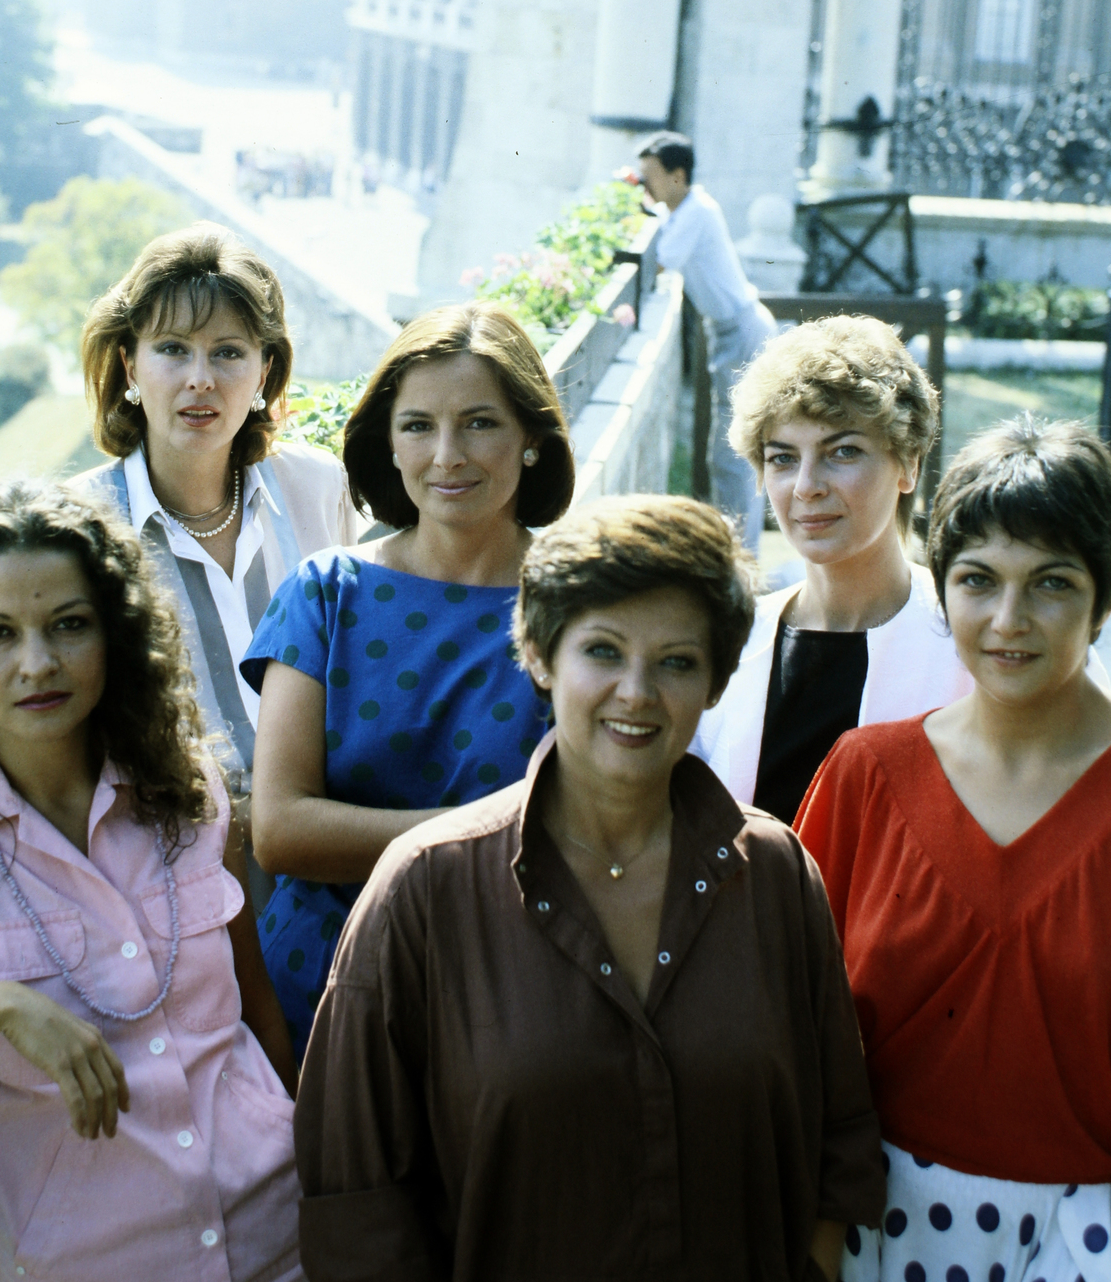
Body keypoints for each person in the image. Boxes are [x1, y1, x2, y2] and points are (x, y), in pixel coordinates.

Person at [292, 494, 886, 1281]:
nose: (637, 693)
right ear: (539, 655)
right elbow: (356, 1207)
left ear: (715, 681)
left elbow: (836, 1144)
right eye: (603, 651)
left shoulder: (775, 874)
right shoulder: (424, 891)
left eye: (677, 661)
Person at [0, 482, 304, 1282]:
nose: (37, 664)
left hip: (282, 1238)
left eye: (69, 626)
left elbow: (256, 1015)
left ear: (114, 634)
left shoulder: (187, 788)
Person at [796, 417, 1111, 1282]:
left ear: (1104, 597)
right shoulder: (866, 774)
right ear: (941, 590)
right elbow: (790, 1035)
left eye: (1051, 583)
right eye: (978, 580)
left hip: (1086, 1242)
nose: (1008, 619)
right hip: (862, 1234)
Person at [243, 301, 575, 1053]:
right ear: (388, 444)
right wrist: (494, 836)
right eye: (419, 425)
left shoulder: (585, 605)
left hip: (511, 1001)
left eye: (480, 423)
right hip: (319, 996)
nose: (447, 455)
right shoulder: (326, 592)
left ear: (531, 438)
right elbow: (281, 830)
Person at [78, 223, 357, 837]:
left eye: (228, 352)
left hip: (330, 843)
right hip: (173, 868)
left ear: (263, 373)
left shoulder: (316, 488)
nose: (200, 378)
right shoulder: (79, 529)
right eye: (173, 349)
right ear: (130, 364)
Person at [691, 314, 959, 821]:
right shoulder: (731, 641)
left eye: (842, 452)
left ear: (908, 465)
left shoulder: (969, 640)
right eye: (783, 458)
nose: (806, 486)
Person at [636, 130, 776, 551]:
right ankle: (736, 549)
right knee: (728, 455)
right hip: (729, 334)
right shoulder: (682, 213)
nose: (646, 185)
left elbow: (657, 264)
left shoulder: (696, 212)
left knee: (733, 457)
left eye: (651, 177)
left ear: (677, 176)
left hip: (742, 334)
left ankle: (742, 557)